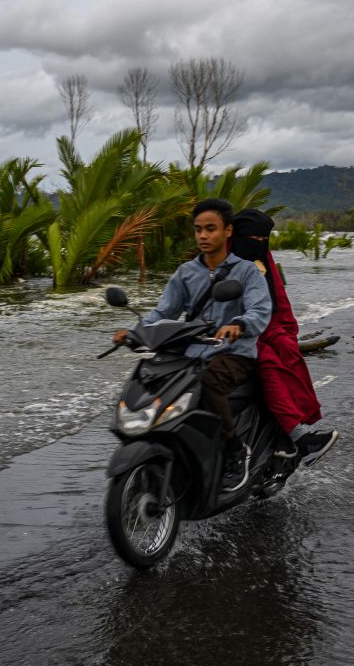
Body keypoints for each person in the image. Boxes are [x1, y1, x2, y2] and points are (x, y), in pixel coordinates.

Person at [113, 198, 272, 489]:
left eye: (210, 229)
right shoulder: (186, 273)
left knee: (208, 382)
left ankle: (235, 451)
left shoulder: (247, 271)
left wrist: (239, 325)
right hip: (191, 352)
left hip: (234, 354)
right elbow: (164, 312)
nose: (203, 236)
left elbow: (260, 311)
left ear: (227, 232)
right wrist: (135, 331)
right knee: (155, 378)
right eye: (198, 229)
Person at [231, 209, 339, 467]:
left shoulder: (264, 260)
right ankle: (296, 434)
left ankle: (290, 433)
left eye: (262, 239)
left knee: (287, 353)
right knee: (269, 362)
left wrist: (286, 331)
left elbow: (278, 297)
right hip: (232, 330)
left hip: (262, 326)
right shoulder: (219, 261)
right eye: (252, 239)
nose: (258, 244)